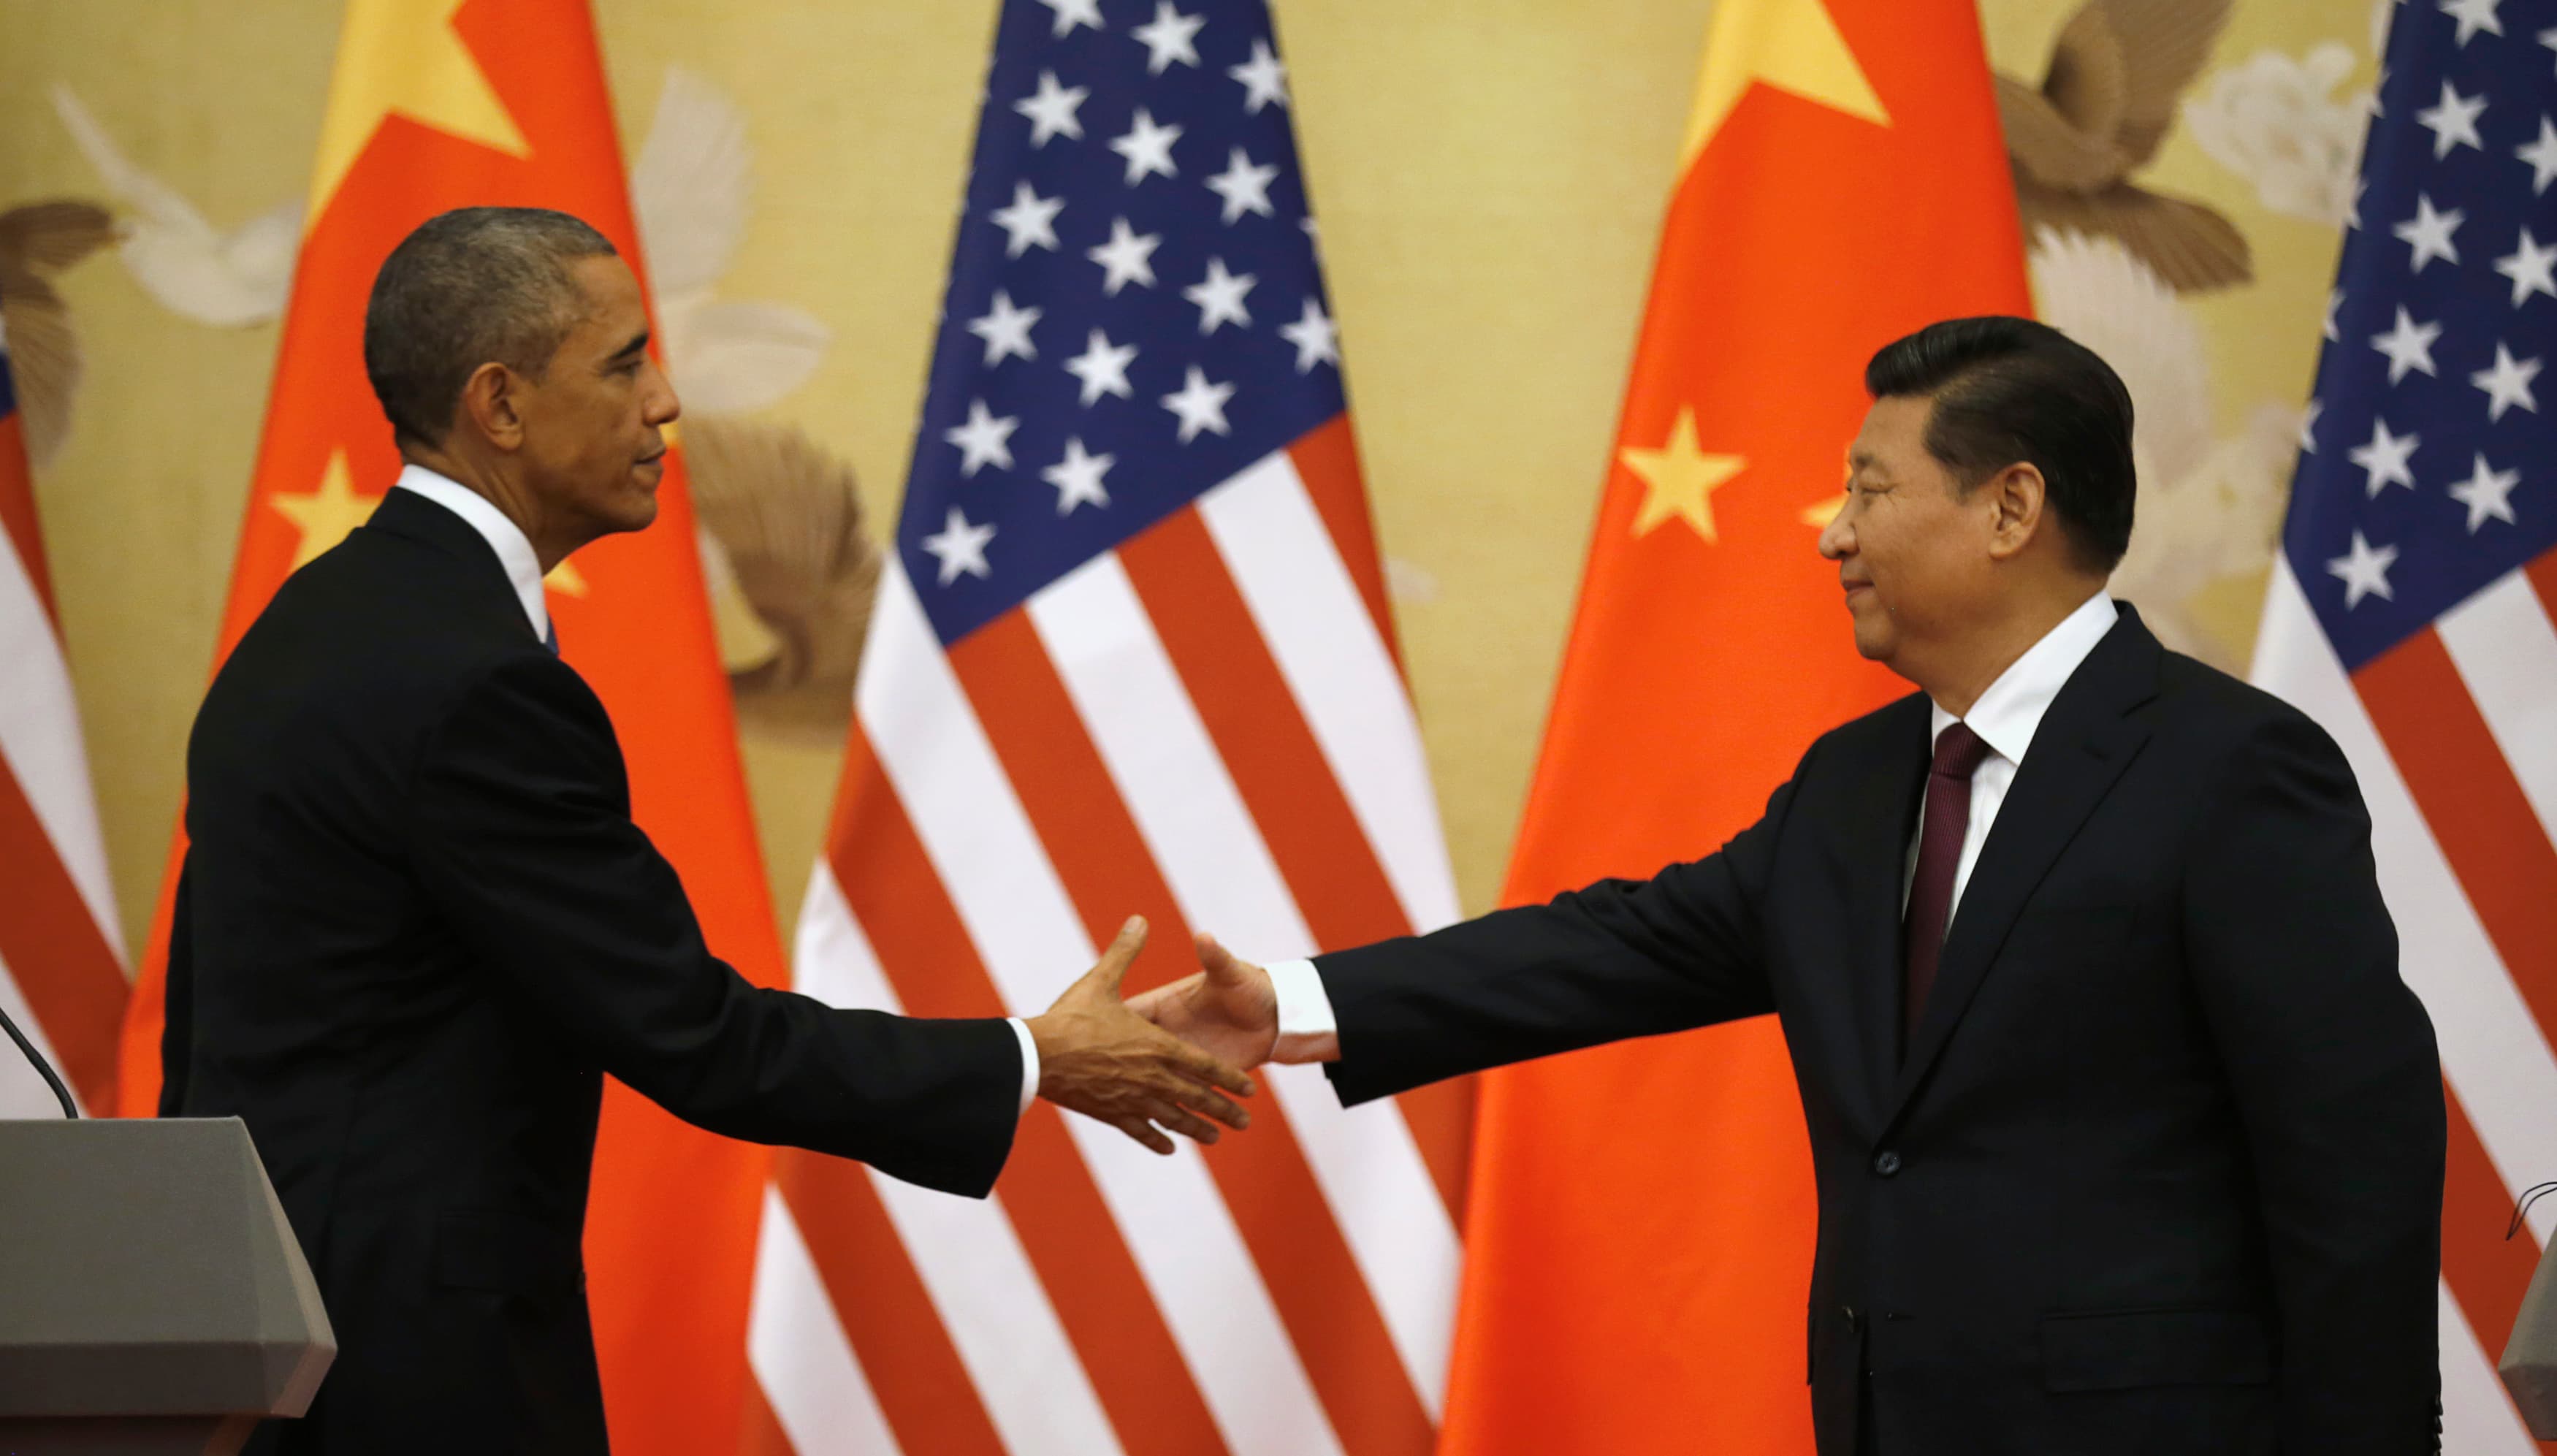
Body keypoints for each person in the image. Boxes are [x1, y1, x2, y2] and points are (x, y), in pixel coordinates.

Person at [1138, 316, 2446, 1456]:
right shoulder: (1859, 782)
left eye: (1870, 489)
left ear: (2009, 508)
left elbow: (2356, 1172)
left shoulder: (2229, 767)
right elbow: (1622, 945)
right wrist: (1290, 1003)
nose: (1833, 534)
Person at [159, 206, 1254, 1455]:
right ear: (500, 406)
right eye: (624, 364)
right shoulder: (475, 682)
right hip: (414, 1370)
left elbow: (210, 1028)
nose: (666, 401)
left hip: (271, 1339)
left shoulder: (315, 620)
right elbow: (699, 1036)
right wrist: (1032, 1057)